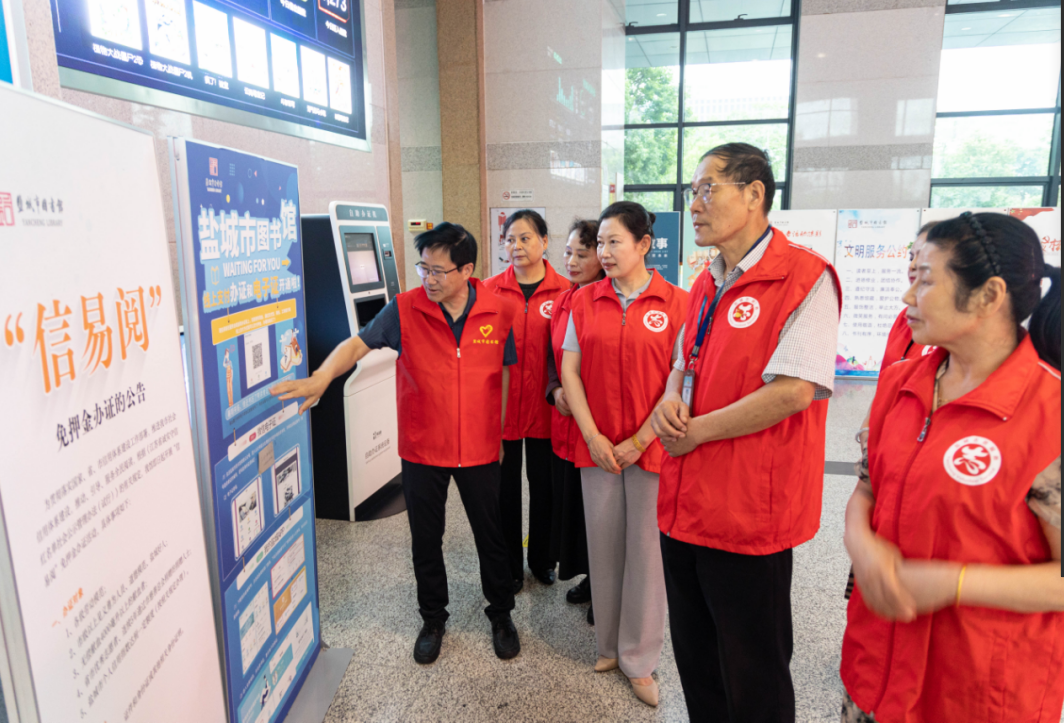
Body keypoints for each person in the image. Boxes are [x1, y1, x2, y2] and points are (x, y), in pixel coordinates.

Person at [840, 212, 1063, 723]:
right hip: (876, 672)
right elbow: (868, 489)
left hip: (979, 693)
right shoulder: (900, 382)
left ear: (989, 295)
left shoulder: (1050, 413)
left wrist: (954, 583)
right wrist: (863, 546)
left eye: (924, 280)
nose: (907, 296)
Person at [270, 223, 522, 665]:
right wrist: (322, 377)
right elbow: (357, 345)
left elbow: (502, 373)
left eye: (438, 271)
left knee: (491, 536)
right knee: (426, 539)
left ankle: (501, 614)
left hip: (480, 449)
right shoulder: (404, 310)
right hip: (422, 448)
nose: (429, 278)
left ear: (467, 270)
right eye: (423, 268)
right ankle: (433, 618)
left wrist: (499, 434)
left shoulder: (499, 312)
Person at [651, 143, 841, 723]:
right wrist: (669, 398)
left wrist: (696, 432)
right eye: (692, 192)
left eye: (707, 189)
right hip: (684, 503)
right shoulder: (705, 281)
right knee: (698, 662)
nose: (694, 204)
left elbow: (794, 390)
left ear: (754, 193)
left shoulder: (805, 277)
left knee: (753, 670)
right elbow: (683, 361)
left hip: (747, 515)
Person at [561, 202, 689, 708]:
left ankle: (640, 659)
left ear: (644, 244)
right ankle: (609, 647)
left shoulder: (677, 303)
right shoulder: (584, 300)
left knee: (646, 554)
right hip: (597, 449)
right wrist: (592, 435)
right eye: (600, 243)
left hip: (652, 448)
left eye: (614, 242)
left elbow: (680, 380)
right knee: (604, 547)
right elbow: (570, 371)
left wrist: (640, 440)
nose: (604, 252)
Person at [485, 210, 569, 592]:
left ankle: (542, 559)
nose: (516, 246)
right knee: (504, 490)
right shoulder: (488, 291)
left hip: (547, 409)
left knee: (544, 487)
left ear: (544, 241)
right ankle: (509, 566)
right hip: (502, 410)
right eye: (509, 239)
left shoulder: (566, 291)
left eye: (525, 238)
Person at [545, 219, 605, 623]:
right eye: (568, 252)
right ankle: (590, 577)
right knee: (576, 511)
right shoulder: (565, 299)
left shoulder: (605, 300)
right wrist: (555, 390)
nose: (571, 261)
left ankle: (607, 590)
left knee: (601, 515)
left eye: (582, 254)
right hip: (565, 427)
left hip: (597, 428)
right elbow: (551, 358)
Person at [880, 221, 936, 369]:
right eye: (911, 258)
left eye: (923, 257)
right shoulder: (904, 318)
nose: (913, 265)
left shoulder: (958, 327)